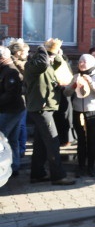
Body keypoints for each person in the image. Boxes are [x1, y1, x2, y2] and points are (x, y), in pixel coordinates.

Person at [24, 38, 75, 185]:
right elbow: (43, 62)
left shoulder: (48, 65)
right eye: (50, 55)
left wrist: (56, 52)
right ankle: (58, 176)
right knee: (53, 142)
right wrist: (43, 49)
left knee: (40, 143)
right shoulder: (33, 65)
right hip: (42, 108)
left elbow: (58, 63)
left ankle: (37, 174)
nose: (51, 58)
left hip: (47, 107)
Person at [64, 54, 95, 177]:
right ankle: (81, 166)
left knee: (92, 140)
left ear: (92, 63)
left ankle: (91, 166)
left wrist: (91, 82)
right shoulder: (76, 76)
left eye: (84, 61)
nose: (81, 63)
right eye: (79, 61)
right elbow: (66, 93)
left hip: (94, 111)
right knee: (81, 140)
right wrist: (73, 85)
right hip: (78, 111)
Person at [0, 45, 25, 178]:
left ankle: (6, 167)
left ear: (2, 58)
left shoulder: (10, 71)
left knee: (2, 139)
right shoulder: (5, 69)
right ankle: (14, 166)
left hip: (11, 110)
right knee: (13, 139)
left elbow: (10, 94)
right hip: (12, 109)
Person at [8, 39, 29, 158]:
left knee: (20, 125)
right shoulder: (15, 64)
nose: (27, 54)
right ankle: (19, 150)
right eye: (26, 52)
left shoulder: (23, 63)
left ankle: (20, 150)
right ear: (19, 52)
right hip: (18, 99)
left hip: (21, 99)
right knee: (20, 126)